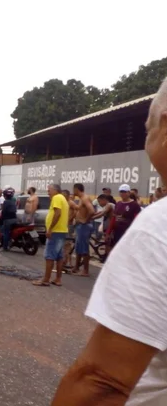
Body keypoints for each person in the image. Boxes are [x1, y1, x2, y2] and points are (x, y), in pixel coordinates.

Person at [52, 78, 167, 405]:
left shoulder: (159, 225)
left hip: (103, 232)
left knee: (74, 252)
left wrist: (91, 219)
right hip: (109, 233)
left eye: (147, 131)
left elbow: (100, 383)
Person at [33, 184, 68, 287]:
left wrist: (50, 229)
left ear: (55, 190)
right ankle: (57, 279)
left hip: (56, 231)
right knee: (59, 256)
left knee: (49, 256)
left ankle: (46, 279)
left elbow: (57, 213)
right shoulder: (63, 198)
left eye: (49, 190)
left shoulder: (57, 198)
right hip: (61, 231)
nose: (48, 192)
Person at [105, 184, 142, 248]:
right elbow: (113, 219)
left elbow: (137, 221)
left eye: (124, 192)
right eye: (121, 192)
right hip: (117, 233)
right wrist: (108, 232)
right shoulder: (118, 204)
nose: (122, 193)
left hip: (128, 233)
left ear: (129, 193)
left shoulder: (134, 205)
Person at [72, 183, 95, 277]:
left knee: (84, 248)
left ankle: (85, 270)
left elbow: (92, 211)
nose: (73, 191)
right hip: (80, 226)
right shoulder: (82, 199)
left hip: (83, 226)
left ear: (77, 189)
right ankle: (76, 267)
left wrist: (86, 220)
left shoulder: (85, 198)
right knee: (79, 247)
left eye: (74, 190)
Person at [0, 188, 17, 252]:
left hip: (8, 219)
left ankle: (5, 247)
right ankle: (10, 241)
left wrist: (1, 219)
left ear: (5, 196)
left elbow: (4, 211)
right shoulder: (13, 202)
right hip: (14, 219)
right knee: (9, 231)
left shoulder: (6, 202)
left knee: (5, 232)